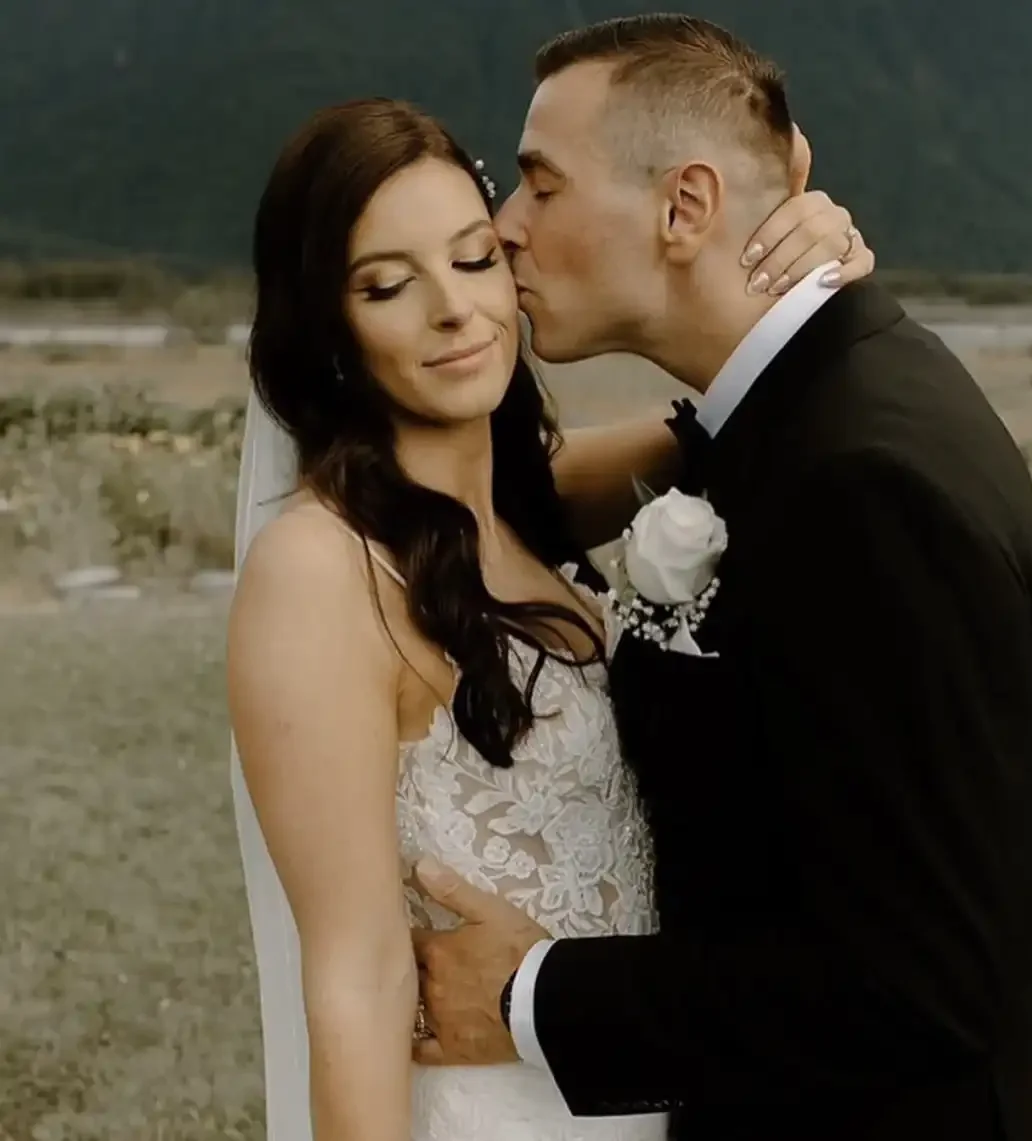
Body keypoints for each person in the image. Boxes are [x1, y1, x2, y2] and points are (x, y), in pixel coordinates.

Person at [408, 15, 1032, 1141]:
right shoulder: (795, 412)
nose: (504, 227)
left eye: (539, 184)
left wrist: (532, 998)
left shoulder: (867, 484)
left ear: (684, 208)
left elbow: (919, 985)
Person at [226, 95, 872, 1141]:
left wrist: (807, 272)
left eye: (474, 260)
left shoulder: (521, 513)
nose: (453, 309)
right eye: (387, 285)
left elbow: (723, 414)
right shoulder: (321, 568)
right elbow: (355, 974)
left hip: (629, 1085)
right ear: (329, 328)